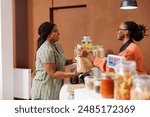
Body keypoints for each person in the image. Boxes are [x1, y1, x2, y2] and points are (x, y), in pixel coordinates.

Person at [31, 21, 78, 100]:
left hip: (54, 89)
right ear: (48, 35)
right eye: (55, 31)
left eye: (58, 30)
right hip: (44, 91)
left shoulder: (58, 46)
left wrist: (72, 60)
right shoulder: (46, 50)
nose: (58, 33)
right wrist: (73, 74)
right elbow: (53, 74)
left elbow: (61, 62)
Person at [81, 21, 147, 75]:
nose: (117, 32)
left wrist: (89, 55)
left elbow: (111, 68)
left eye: (119, 29)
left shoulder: (130, 50)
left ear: (126, 32)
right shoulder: (129, 47)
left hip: (135, 83)